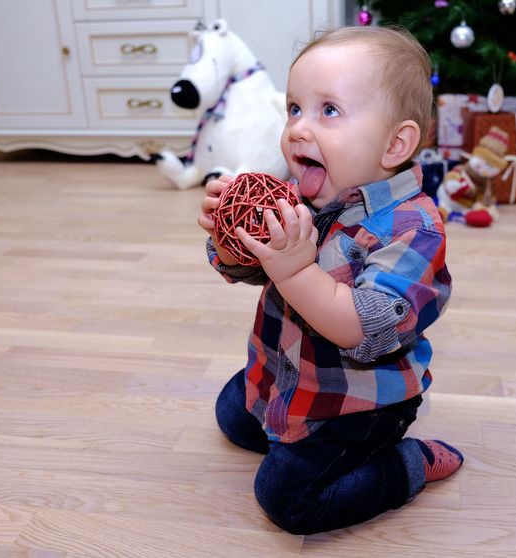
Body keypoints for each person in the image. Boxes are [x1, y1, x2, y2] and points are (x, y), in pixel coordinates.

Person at [197, 25, 461, 535]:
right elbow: (254, 268)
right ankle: (287, 430)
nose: (298, 128)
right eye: (294, 108)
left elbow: (359, 329)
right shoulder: (307, 194)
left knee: (286, 499)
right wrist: (230, 238)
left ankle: (404, 464)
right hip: (289, 372)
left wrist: (295, 268)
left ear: (395, 143)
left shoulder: (414, 229)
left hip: (359, 403)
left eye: (329, 111)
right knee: (232, 415)